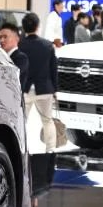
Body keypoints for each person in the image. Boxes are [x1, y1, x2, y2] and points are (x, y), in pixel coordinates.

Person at [18, 13, 59, 152]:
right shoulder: (48, 45)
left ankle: (22, 150)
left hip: (25, 89)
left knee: (21, 122)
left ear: (24, 27)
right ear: (38, 26)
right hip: (45, 88)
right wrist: (55, 90)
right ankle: (50, 149)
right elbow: (53, 69)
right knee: (47, 120)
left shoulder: (20, 45)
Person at [0, 23, 29, 91]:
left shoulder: (21, 58)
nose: (1, 40)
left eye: (5, 37)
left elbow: (9, 77)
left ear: (17, 38)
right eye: (0, 37)